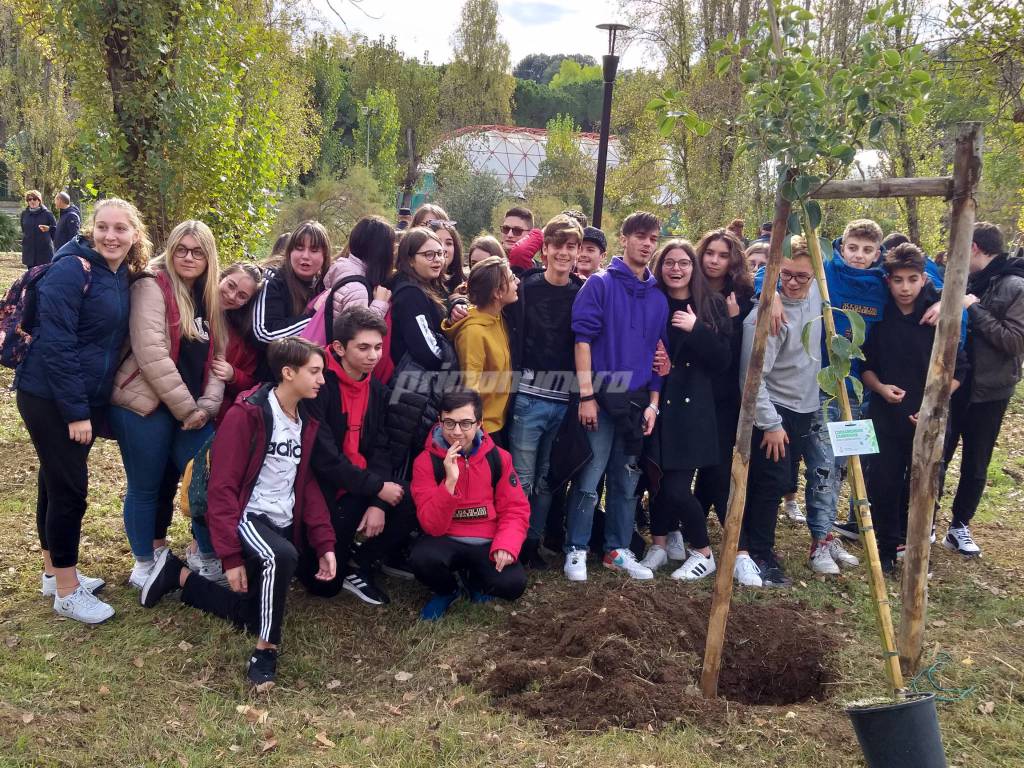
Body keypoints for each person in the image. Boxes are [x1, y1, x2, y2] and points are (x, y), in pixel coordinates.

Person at [137, 337, 337, 687]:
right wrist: (229, 557)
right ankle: (265, 652)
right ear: (288, 373)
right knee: (281, 557)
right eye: (315, 371)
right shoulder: (249, 414)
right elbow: (223, 489)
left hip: (282, 519)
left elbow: (306, 485)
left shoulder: (306, 419)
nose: (322, 379)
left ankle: (177, 576)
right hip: (250, 515)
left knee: (253, 613)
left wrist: (325, 543)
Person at [15, 198, 151, 623]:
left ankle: (53, 574)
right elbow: (55, 344)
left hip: (75, 395)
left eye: (121, 229)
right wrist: (76, 412)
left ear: (134, 234)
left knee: (54, 481)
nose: (111, 236)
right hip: (48, 395)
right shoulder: (72, 268)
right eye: (104, 227)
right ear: (90, 229)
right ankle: (68, 592)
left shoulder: (116, 274)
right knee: (70, 488)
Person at [109, 220, 227, 590]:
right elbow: (151, 355)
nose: (188, 257)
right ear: (170, 250)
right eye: (181, 249)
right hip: (144, 406)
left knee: (208, 482)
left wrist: (207, 406)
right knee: (145, 486)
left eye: (197, 251)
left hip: (191, 410)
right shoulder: (151, 284)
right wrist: (188, 410)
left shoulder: (208, 296)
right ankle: (144, 564)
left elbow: (218, 359)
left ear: (209, 257)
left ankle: (205, 555)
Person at [564, 211, 669, 582]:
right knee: (589, 479)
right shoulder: (599, 285)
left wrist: (654, 403)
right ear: (623, 239)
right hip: (601, 397)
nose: (646, 244)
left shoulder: (658, 297)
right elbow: (582, 342)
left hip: (638, 402)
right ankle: (575, 548)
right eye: (640, 235)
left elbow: (661, 355)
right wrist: (586, 396)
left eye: (653, 238)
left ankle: (617, 549)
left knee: (626, 482)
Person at [863, 243, 967, 573]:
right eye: (898, 280)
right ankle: (886, 546)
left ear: (924, 279)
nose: (905, 288)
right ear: (887, 281)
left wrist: (932, 405)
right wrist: (879, 387)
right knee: (883, 480)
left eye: (912, 279)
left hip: (929, 414)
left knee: (923, 483)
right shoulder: (878, 315)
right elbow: (864, 365)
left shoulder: (939, 314)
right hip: (885, 412)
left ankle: (915, 545)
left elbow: (960, 370)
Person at [307, 307, 415, 605]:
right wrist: (377, 488)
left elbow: (381, 448)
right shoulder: (318, 386)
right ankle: (339, 555)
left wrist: (379, 500)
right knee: (324, 588)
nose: (373, 356)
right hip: (327, 492)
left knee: (409, 498)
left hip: (362, 484)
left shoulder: (377, 390)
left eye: (378, 347)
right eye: (364, 347)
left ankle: (362, 561)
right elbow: (324, 459)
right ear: (339, 348)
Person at [640, 240, 731, 580]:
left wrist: (697, 330)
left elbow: (722, 360)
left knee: (678, 486)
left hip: (692, 407)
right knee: (658, 481)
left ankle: (703, 552)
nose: (676, 269)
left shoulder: (712, 305)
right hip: (654, 401)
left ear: (693, 268)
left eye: (683, 263)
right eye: (669, 263)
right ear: (660, 267)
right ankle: (660, 544)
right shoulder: (653, 301)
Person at [735, 237, 822, 588]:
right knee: (767, 485)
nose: (794, 282)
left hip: (804, 408)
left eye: (803, 276)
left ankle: (760, 546)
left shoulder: (818, 298)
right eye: (786, 274)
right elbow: (751, 378)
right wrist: (770, 424)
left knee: (783, 481)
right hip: (775, 412)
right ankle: (759, 553)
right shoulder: (766, 319)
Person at [506, 215, 585, 568]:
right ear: (546, 248)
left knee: (547, 477)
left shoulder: (584, 291)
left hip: (565, 399)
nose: (564, 253)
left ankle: (533, 542)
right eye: (558, 246)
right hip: (528, 396)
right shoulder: (525, 287)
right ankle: (516, 541)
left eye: (572, 247)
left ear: (579, 251)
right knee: (522, 477)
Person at [941, 222, 1024, 558]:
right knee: (938, 456)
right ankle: (925, 521)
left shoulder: (1015, 286)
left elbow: (1014, 340)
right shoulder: (966, 278)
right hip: (954, 385)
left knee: (976, 463)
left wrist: (973, 308)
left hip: (990, 391)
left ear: (973, 247)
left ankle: (959, 525)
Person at [409, 389, 529, 620]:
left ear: (479, 424)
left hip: (487, 541)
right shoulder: (426, 462)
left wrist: (506, 544)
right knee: (421, 559)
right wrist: (449, 483)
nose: (456, 432)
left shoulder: (499, 458)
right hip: (447, 538)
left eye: (465, 423)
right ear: (439, 421)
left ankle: (474, 581)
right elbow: (432, 526)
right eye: (449, 423)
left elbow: (515, 508)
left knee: (513, 585)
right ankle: (447, 591)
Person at [383, 227, 458, 479]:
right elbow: (427, 350)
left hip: (418, 390)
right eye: (429, 255)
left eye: (440, 253)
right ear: (409, 259)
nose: (437, 259)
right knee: (406, 464)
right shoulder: (411, 293)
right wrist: (451, 356)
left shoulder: (427, 287)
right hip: (412, 391)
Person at [693, 229, 754, 532]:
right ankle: (685, 523)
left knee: (716, 462)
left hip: (725, 392)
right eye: (709, 253)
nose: (714, 260)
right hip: (691, 386)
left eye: (722, 255)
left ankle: (701, 520)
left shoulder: (742, 297)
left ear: (733, 261)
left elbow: (736, 351)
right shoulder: (689, 289)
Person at [443, 257, 519, 437]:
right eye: (511, 278)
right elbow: (471, 385)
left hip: (499, 421)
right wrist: (476, 430)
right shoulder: (473, 332)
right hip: (483, 430)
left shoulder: (497, 316)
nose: (517, 281)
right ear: (497, 293)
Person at [251, 221, 330, 344]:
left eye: (314, 250)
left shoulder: (325, 286)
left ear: (324, 255)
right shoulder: (272, 280)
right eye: (299, 248)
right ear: (289, 252)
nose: (305, 256)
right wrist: (313, 317)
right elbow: (264, 334)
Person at [217, 263, 265, 424]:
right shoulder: (191, 305)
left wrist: (233, 375)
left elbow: (250, 382)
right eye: (231, 286)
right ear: (222, 277)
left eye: (242, 296)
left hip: (213, 414)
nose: (231, 296)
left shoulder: (242, 335)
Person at [323, 215, 394, 321]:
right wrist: (379, 305)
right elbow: (357, 334)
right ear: (382, 252)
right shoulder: (357, 289)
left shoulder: (343, 269)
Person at [19, 190, 57, 267]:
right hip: (29, 250)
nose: (32, 201)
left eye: (34, 199)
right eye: (29, 199)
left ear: (39, 201)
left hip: (44, 251)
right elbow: (24, 230)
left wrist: (49, 228)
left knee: (44, 276)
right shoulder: (24, 214)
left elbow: (55, 230)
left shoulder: (47, 214)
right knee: (31, 275)